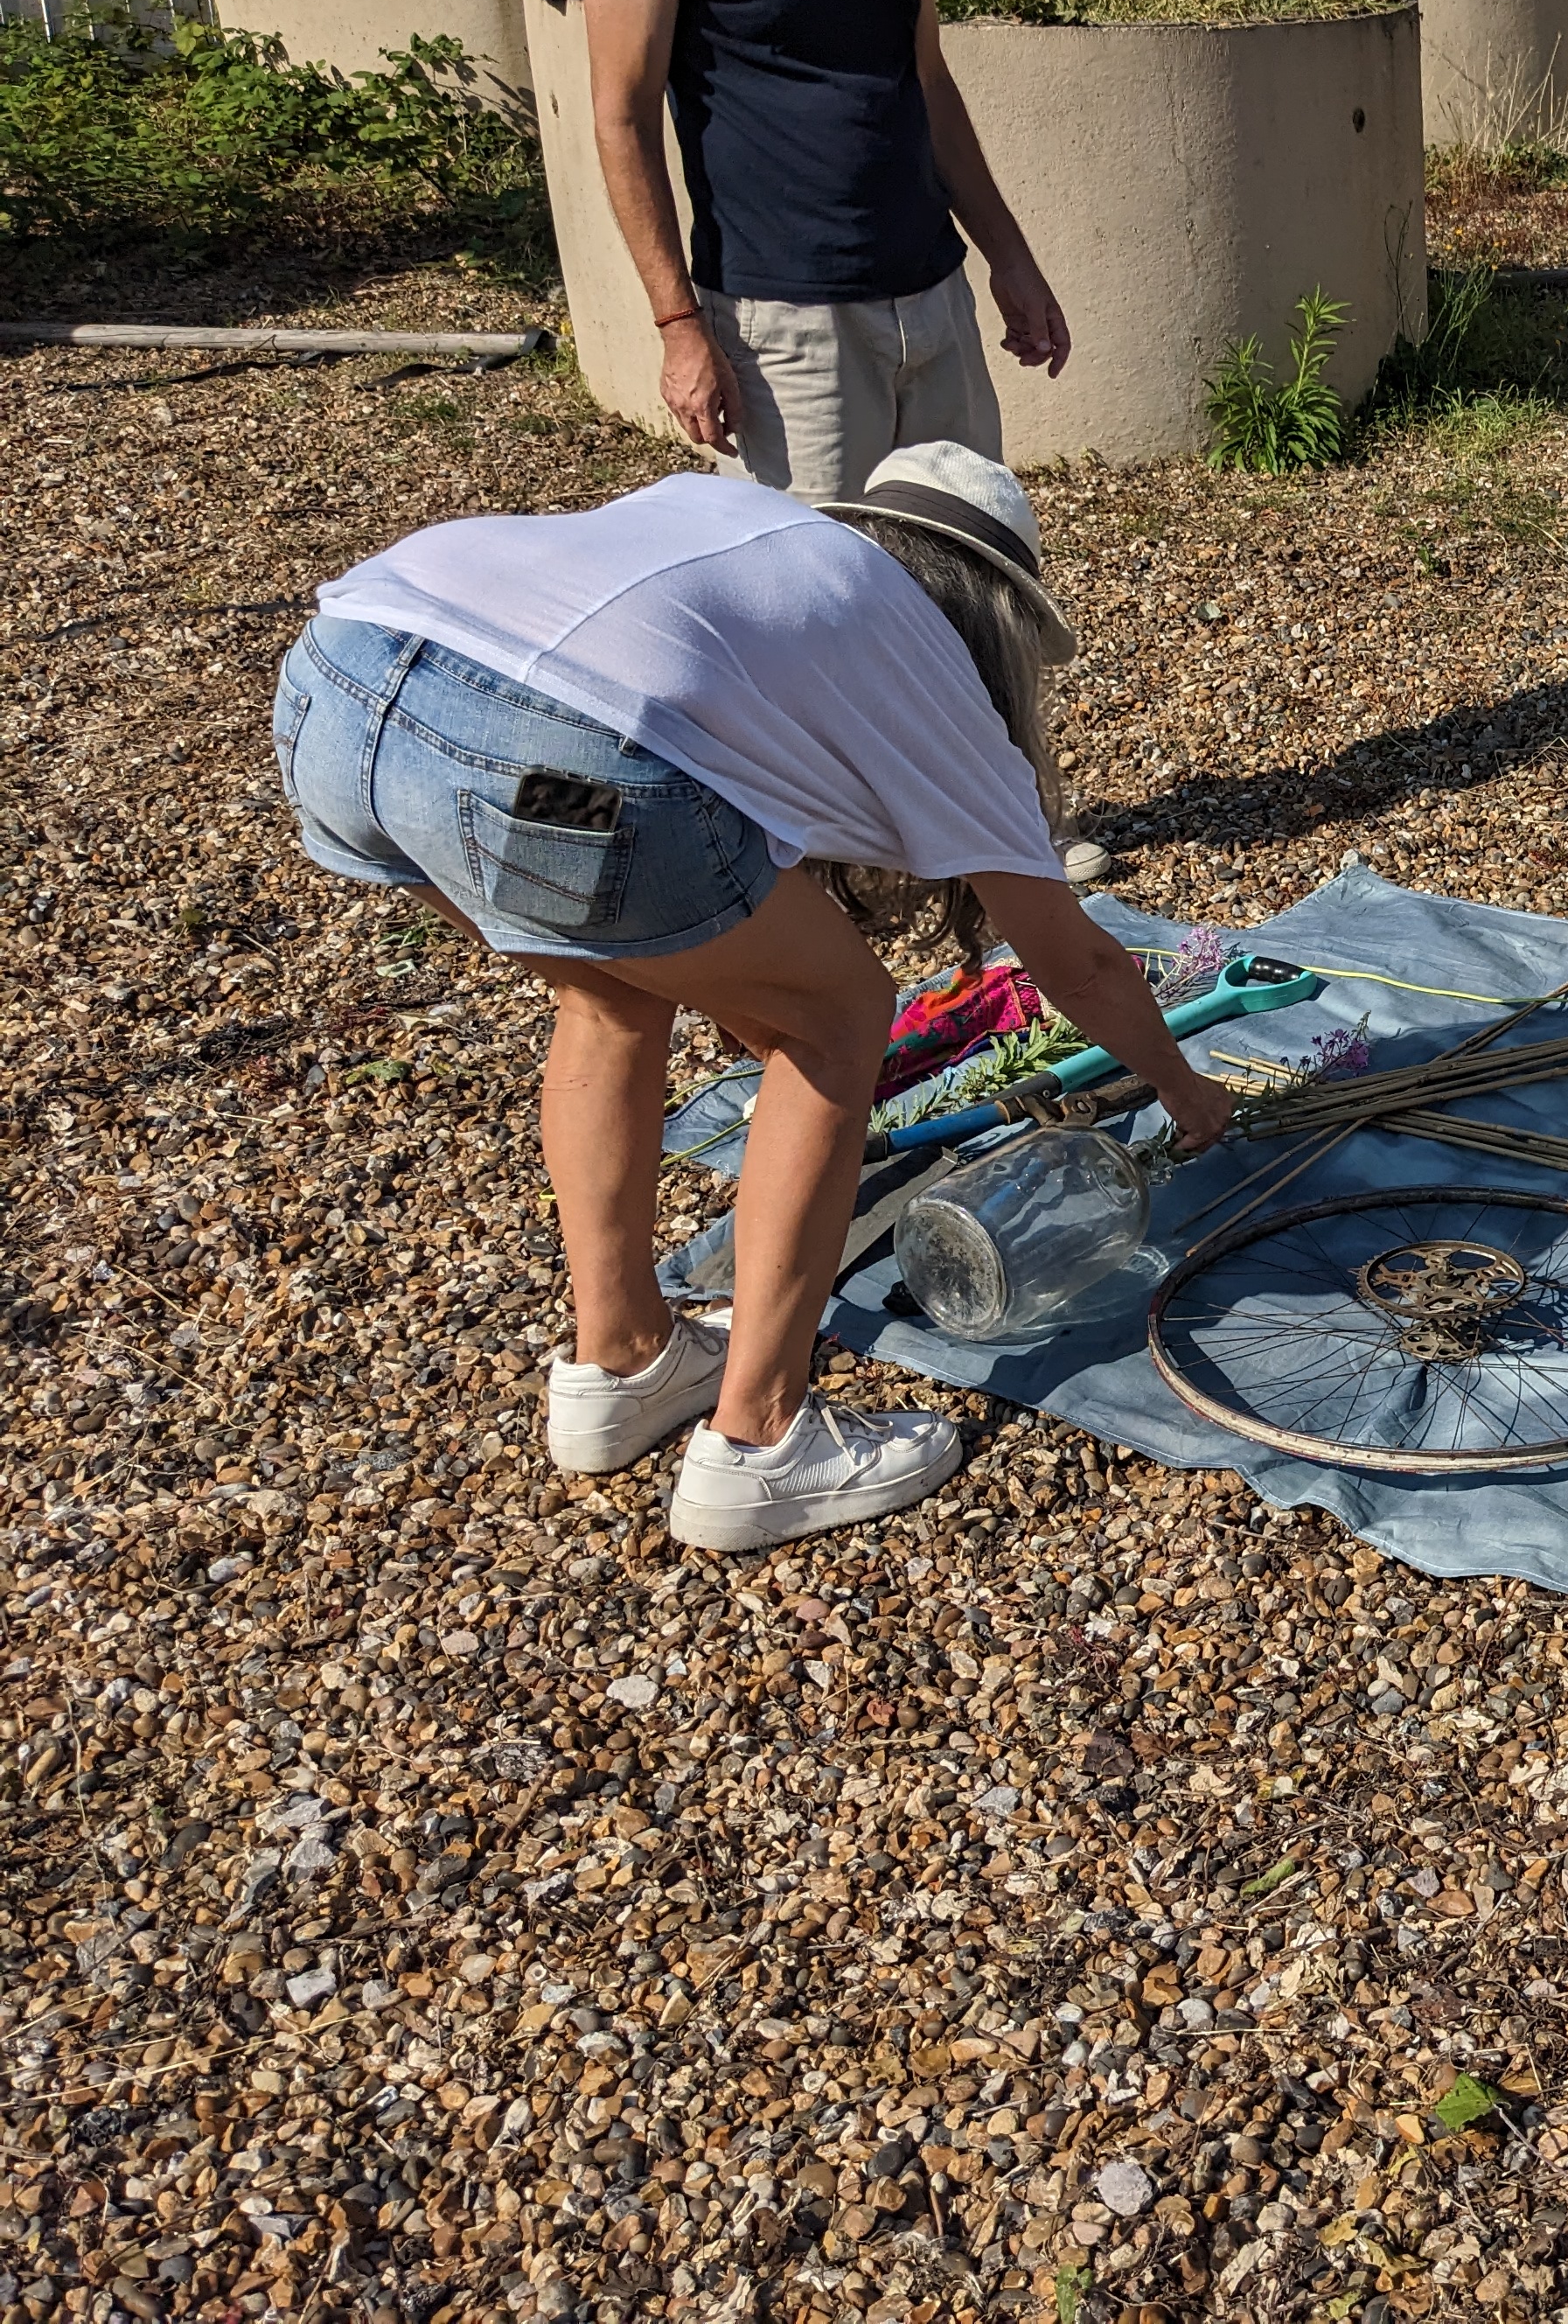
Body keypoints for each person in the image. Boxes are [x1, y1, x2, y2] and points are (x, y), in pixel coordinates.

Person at [269, 446, 1237, 1553]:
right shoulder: (926, 660)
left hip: (343, 697)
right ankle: (764, 1439)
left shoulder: (743, 539)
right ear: (991, 611)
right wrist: (1182, 1090)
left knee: (608, 997)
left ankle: (620, 1360)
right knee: (834, 1023)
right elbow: (1082, 967)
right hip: (547, 759)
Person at [576, 0, 1070, 506]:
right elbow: (621, 116)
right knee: (814, 598)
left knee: (968, 583)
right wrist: (677, 326)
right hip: (785, 322)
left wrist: (1009, 258)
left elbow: (927, 79)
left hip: (932, 294)